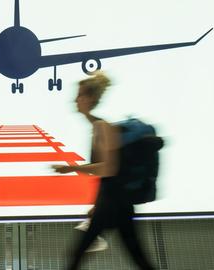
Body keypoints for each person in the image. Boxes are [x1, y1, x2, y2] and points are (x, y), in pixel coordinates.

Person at [52, 71, 155, 270]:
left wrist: (70, 167)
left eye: (80, 95)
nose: (76, 99)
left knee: (75, 257)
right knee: (139, 260)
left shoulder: (102, 126)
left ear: (90, 99)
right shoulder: (97, 126)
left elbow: (109, 168)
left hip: (112, 204)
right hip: (113, 203)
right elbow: (107, 174)